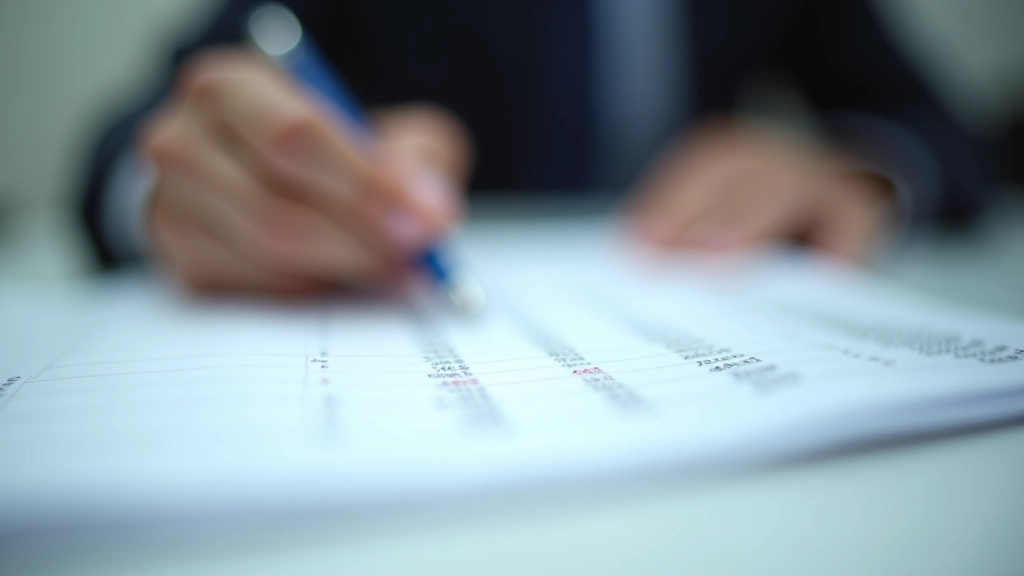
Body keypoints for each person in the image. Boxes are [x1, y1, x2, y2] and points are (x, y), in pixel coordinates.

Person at [80, 0, 985, 294]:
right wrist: (183, 185)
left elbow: (936, 125)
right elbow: (150, 128)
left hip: (706, 286)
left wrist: (858, 172)